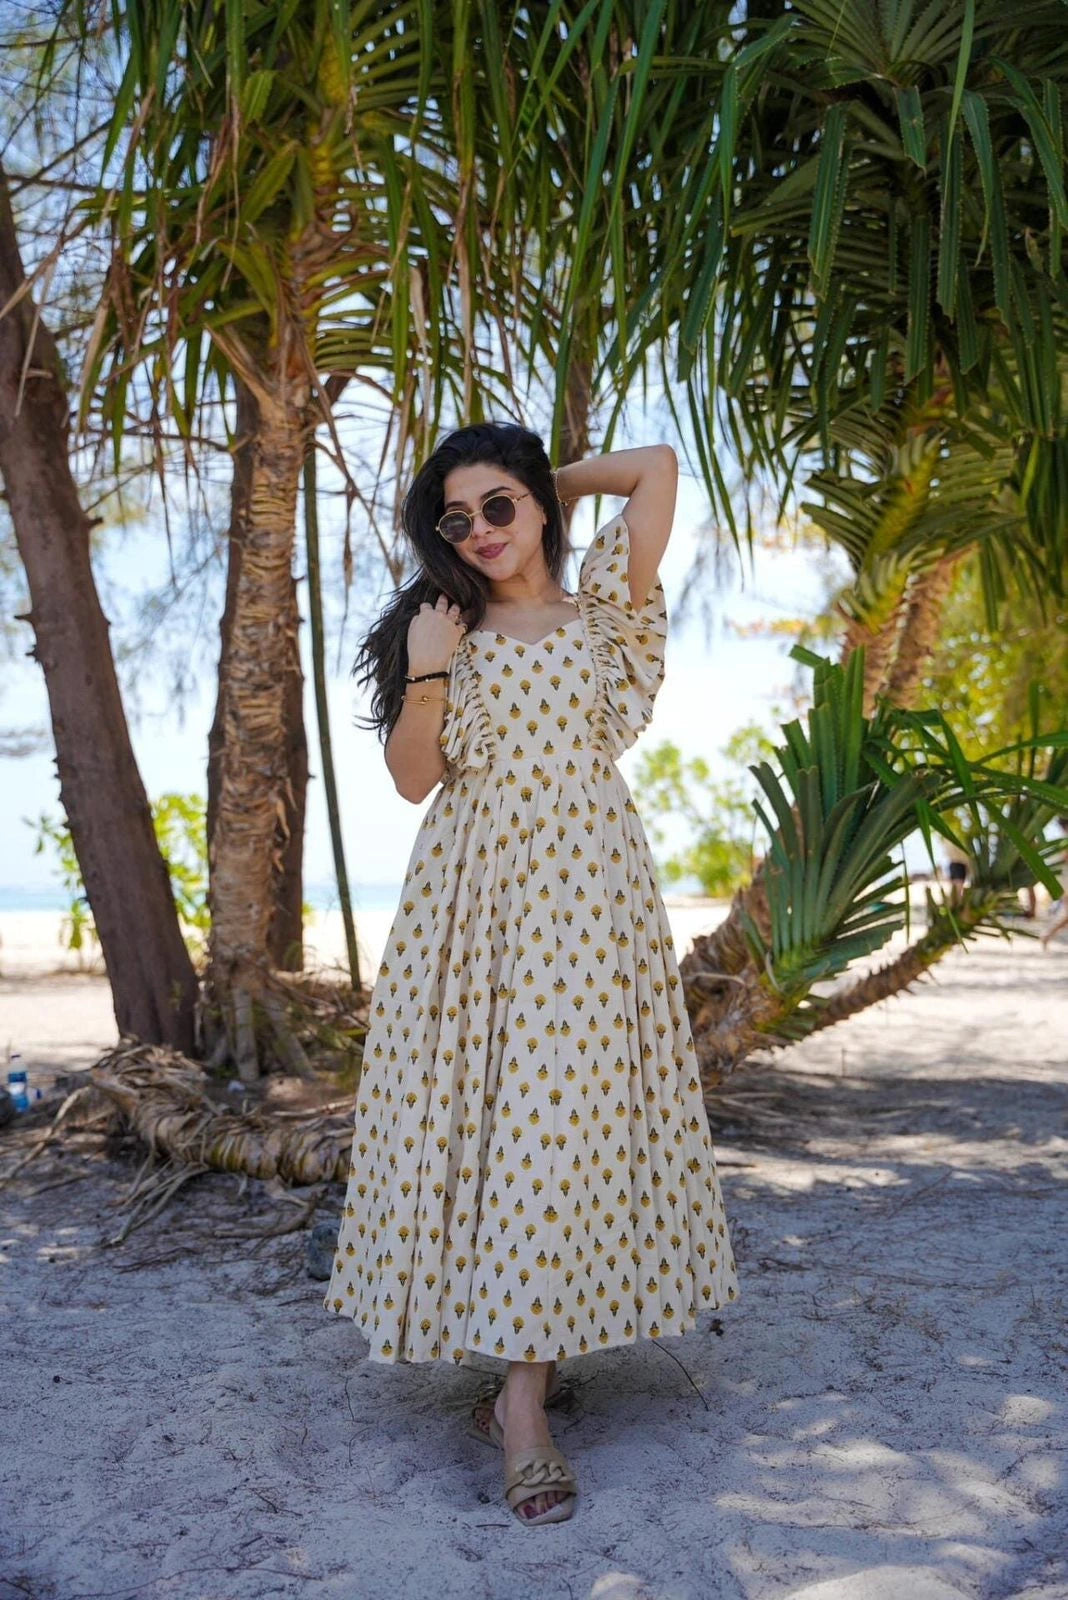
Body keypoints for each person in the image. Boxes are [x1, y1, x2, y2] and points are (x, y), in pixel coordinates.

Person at [323, 422, 740, 1526]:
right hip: (473, 912)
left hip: (593, 909)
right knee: (492, 1128)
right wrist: (426, 671)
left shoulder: (605, 608)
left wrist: (537, 479)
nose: (480, 532)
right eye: (456, 519)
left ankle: (521, 1398)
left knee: (559, 1132)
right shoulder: (441, 622)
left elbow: (656, 465)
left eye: (499, 507)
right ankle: (521, 1399)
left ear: (543, 508)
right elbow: (414, 781)